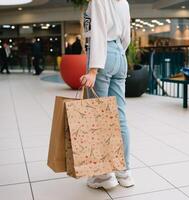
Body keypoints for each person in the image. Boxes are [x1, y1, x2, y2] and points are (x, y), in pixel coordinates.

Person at [80, 0, 134, 190]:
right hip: (120, 54)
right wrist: (117, 53)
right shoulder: (124, 3)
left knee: (99, 118)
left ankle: (104, 175)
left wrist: (93, 70)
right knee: (120, 117)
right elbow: (127, 36)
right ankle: (124, 172)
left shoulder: (98, 0)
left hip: (102, 55)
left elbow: (98, 34)